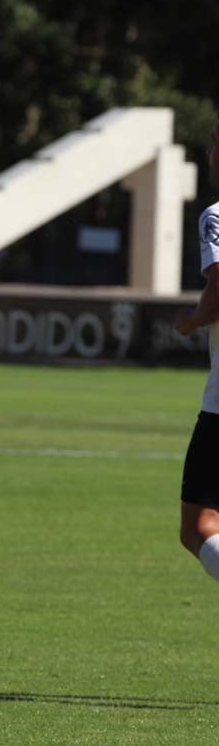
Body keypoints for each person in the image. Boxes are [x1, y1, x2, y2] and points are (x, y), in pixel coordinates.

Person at [175, 119, 219, 587]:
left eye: (213, 145)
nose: (209, 155)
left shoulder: (217, 215)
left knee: (199, 527)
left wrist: (188, 322)